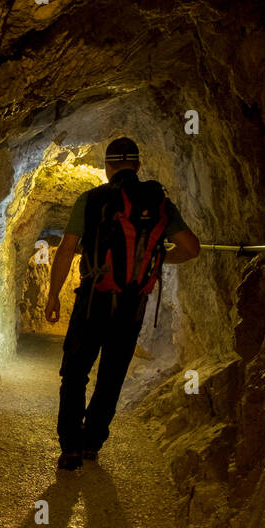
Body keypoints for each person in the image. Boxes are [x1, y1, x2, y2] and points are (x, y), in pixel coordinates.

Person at [43, 137, 201, 471]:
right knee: (112, 376)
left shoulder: (91, 200)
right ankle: (92, 444)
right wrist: (156, 260)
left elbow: (67, 250)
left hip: (93, 300)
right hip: (133, 306)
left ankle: (70, 448)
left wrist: (53, 295)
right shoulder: (159, 202)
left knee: (75, 373)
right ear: (138, 166)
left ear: (108, 167)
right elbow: (191, 247)